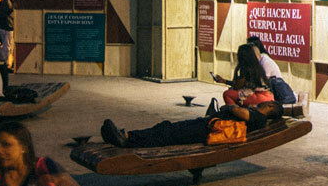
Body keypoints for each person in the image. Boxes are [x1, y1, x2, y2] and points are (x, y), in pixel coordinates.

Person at [104, 45, 276, 147]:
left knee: (170, 133)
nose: (265, 104)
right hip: (209, 123)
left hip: (209, 129)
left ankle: (128, 139)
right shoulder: (256, 113)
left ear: (269, 109)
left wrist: (231, 107)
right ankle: (128, 136)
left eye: (269, 106)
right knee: (167, 128)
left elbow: (240, 111)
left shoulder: (257, 117)